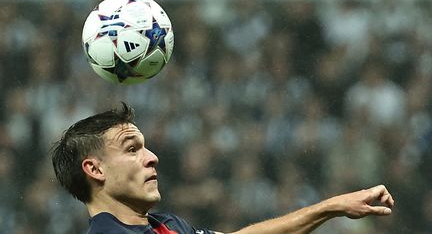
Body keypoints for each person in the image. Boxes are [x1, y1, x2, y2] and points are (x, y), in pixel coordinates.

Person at [51, 102, 395, 234]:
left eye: (147, 146)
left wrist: (333, 206)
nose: (152, 157)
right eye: (132, 149)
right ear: (95, 170)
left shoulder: (167, 225)